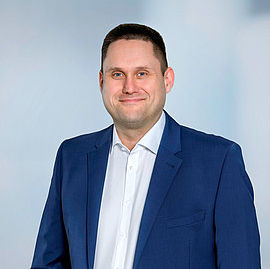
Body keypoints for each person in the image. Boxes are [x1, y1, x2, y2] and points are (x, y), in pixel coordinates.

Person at [31, 23, 261, 269]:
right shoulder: (72, 158)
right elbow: (49, 262)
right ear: (101, 81)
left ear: (167, 80)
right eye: (117, 74)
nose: (129, 87)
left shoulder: (219, 162)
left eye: (142, 73)